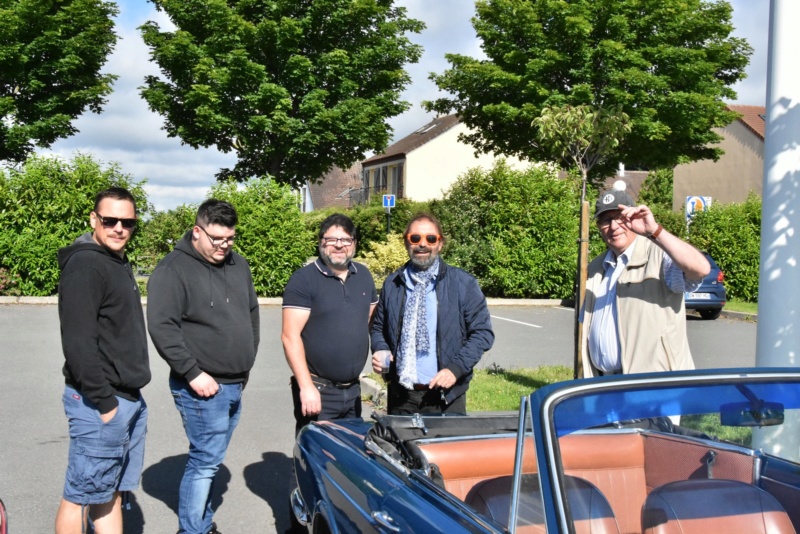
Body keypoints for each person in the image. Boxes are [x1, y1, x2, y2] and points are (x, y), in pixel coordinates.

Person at [147, 199, 259, 534]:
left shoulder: (238, 264)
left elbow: (251, 313)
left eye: (230, 238)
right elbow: (162, 327)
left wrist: (247, 361)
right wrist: (193, 373)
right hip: (201, 387)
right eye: (216, 239)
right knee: (205, 462)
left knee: (209, 461)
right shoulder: (173, 269)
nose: (224, 246)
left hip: (234, 382)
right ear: (197, 231)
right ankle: (192, 529)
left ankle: (202, 523)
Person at [55, 187, 150, 534]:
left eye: (128, 222)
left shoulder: (114, 260)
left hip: (126, 399)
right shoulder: (87, 264)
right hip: (101, 403)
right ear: (94, 219)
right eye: (110, 220)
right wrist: (106, 404)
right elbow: (79, 344)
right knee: (80, 495)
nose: (119, 228)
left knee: (107, 492)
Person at [580, 186, 711, 377]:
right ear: (599, 226)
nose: (614, 226)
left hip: (654, 385)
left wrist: (654, 231)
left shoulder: (659, 256)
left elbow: (701, 269)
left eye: (620, 217)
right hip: (604, 384)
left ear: (633, 217)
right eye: (606, 220)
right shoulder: (597, 267)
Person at [370, 213, 494, 415]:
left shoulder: (463, 283)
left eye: (430, 238)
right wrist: (380, 348)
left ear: (440, 243)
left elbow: (482, 333)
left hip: (445, 396)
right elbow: (377, 328)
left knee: (444, 448)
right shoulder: (392, 284)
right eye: (415, 238)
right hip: (401, 396)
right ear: (406, 242)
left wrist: (455, 369)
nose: (422, 244)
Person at [281, 213, 378, 434]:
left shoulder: (363, 275)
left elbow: (374, 323)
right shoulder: (304, 279)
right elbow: (289, 336)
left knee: (348, 457)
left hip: (353, 390)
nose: (338, 245)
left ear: (354, 244)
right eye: (331, 239)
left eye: (345, 240)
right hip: (318, 389)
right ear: (320, 242)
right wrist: (306, 387)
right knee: (316, 459)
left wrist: (382, 351)